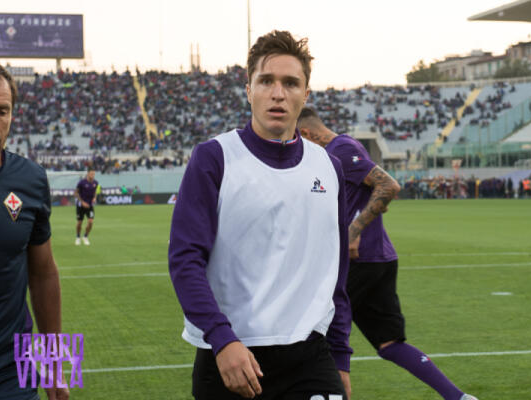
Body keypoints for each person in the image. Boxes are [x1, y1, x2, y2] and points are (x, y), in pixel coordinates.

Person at [168, 30, 352, 400]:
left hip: (310, 360)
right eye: (266, 81)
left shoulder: (329, 167)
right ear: (249, 90)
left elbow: (337, 272)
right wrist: (222, 340)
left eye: (290, 83)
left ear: (306, 94)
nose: (278, 93)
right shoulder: (214, 158)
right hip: (231, 357)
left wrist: (340, 357)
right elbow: (185, 259)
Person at [297, 107, 478, 400]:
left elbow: (388, 185)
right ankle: (458, 397)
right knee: (389, 344)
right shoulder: (333, 154)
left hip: (359, 260)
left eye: (296, 139)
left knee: (318, 336)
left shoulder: (340, 150)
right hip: (378, 259)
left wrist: (353, 230)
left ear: (307, 133)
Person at [0, 65, 69, 399]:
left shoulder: (31, 179)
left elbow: (43, 274)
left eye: (2, 111)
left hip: (15, 370)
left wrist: (56, 364)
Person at [74, 168, 98, 245]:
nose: (93, 175)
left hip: (90, 206)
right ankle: (78, 237)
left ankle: (85, 237)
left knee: (90, 221)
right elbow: (76, 193)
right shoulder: (81, 182)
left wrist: (94, 198)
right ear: (88, 174)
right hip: (80, 206)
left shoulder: (95, 182)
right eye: (91, 174)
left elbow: (95, 192)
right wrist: (82, 202)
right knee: (79, 222)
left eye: (94, 174)